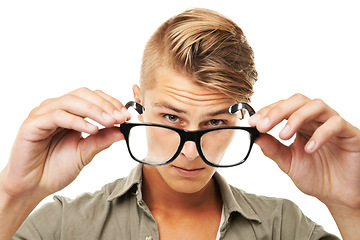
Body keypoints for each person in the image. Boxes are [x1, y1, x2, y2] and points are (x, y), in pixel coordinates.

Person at [0, 8, 359, 240]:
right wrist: (14, 194)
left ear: (241, 117)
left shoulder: (284, 227)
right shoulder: (64, 225)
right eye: (171, 117)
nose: (189, 151)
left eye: (215, 121)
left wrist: (351, 205)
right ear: (138, 105)